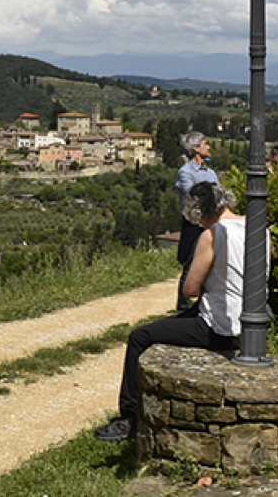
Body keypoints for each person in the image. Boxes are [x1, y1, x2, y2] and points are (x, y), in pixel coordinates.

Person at [94, 182, 260, 442]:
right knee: (178, 321)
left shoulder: (213, 234)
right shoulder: (257, 226)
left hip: (217, 327)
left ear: (199, 211)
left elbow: (190, 289)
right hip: (250, 325)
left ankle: (129, 419)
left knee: (140, 337)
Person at [173, 131, 218, 311]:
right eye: (205, 144)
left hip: (211, 224)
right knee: (191, 265)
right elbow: (193, 195)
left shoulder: (211, 173)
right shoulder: (185, 172)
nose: (209, 147)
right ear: (196, 148)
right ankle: (182, 309)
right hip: (195, 225)